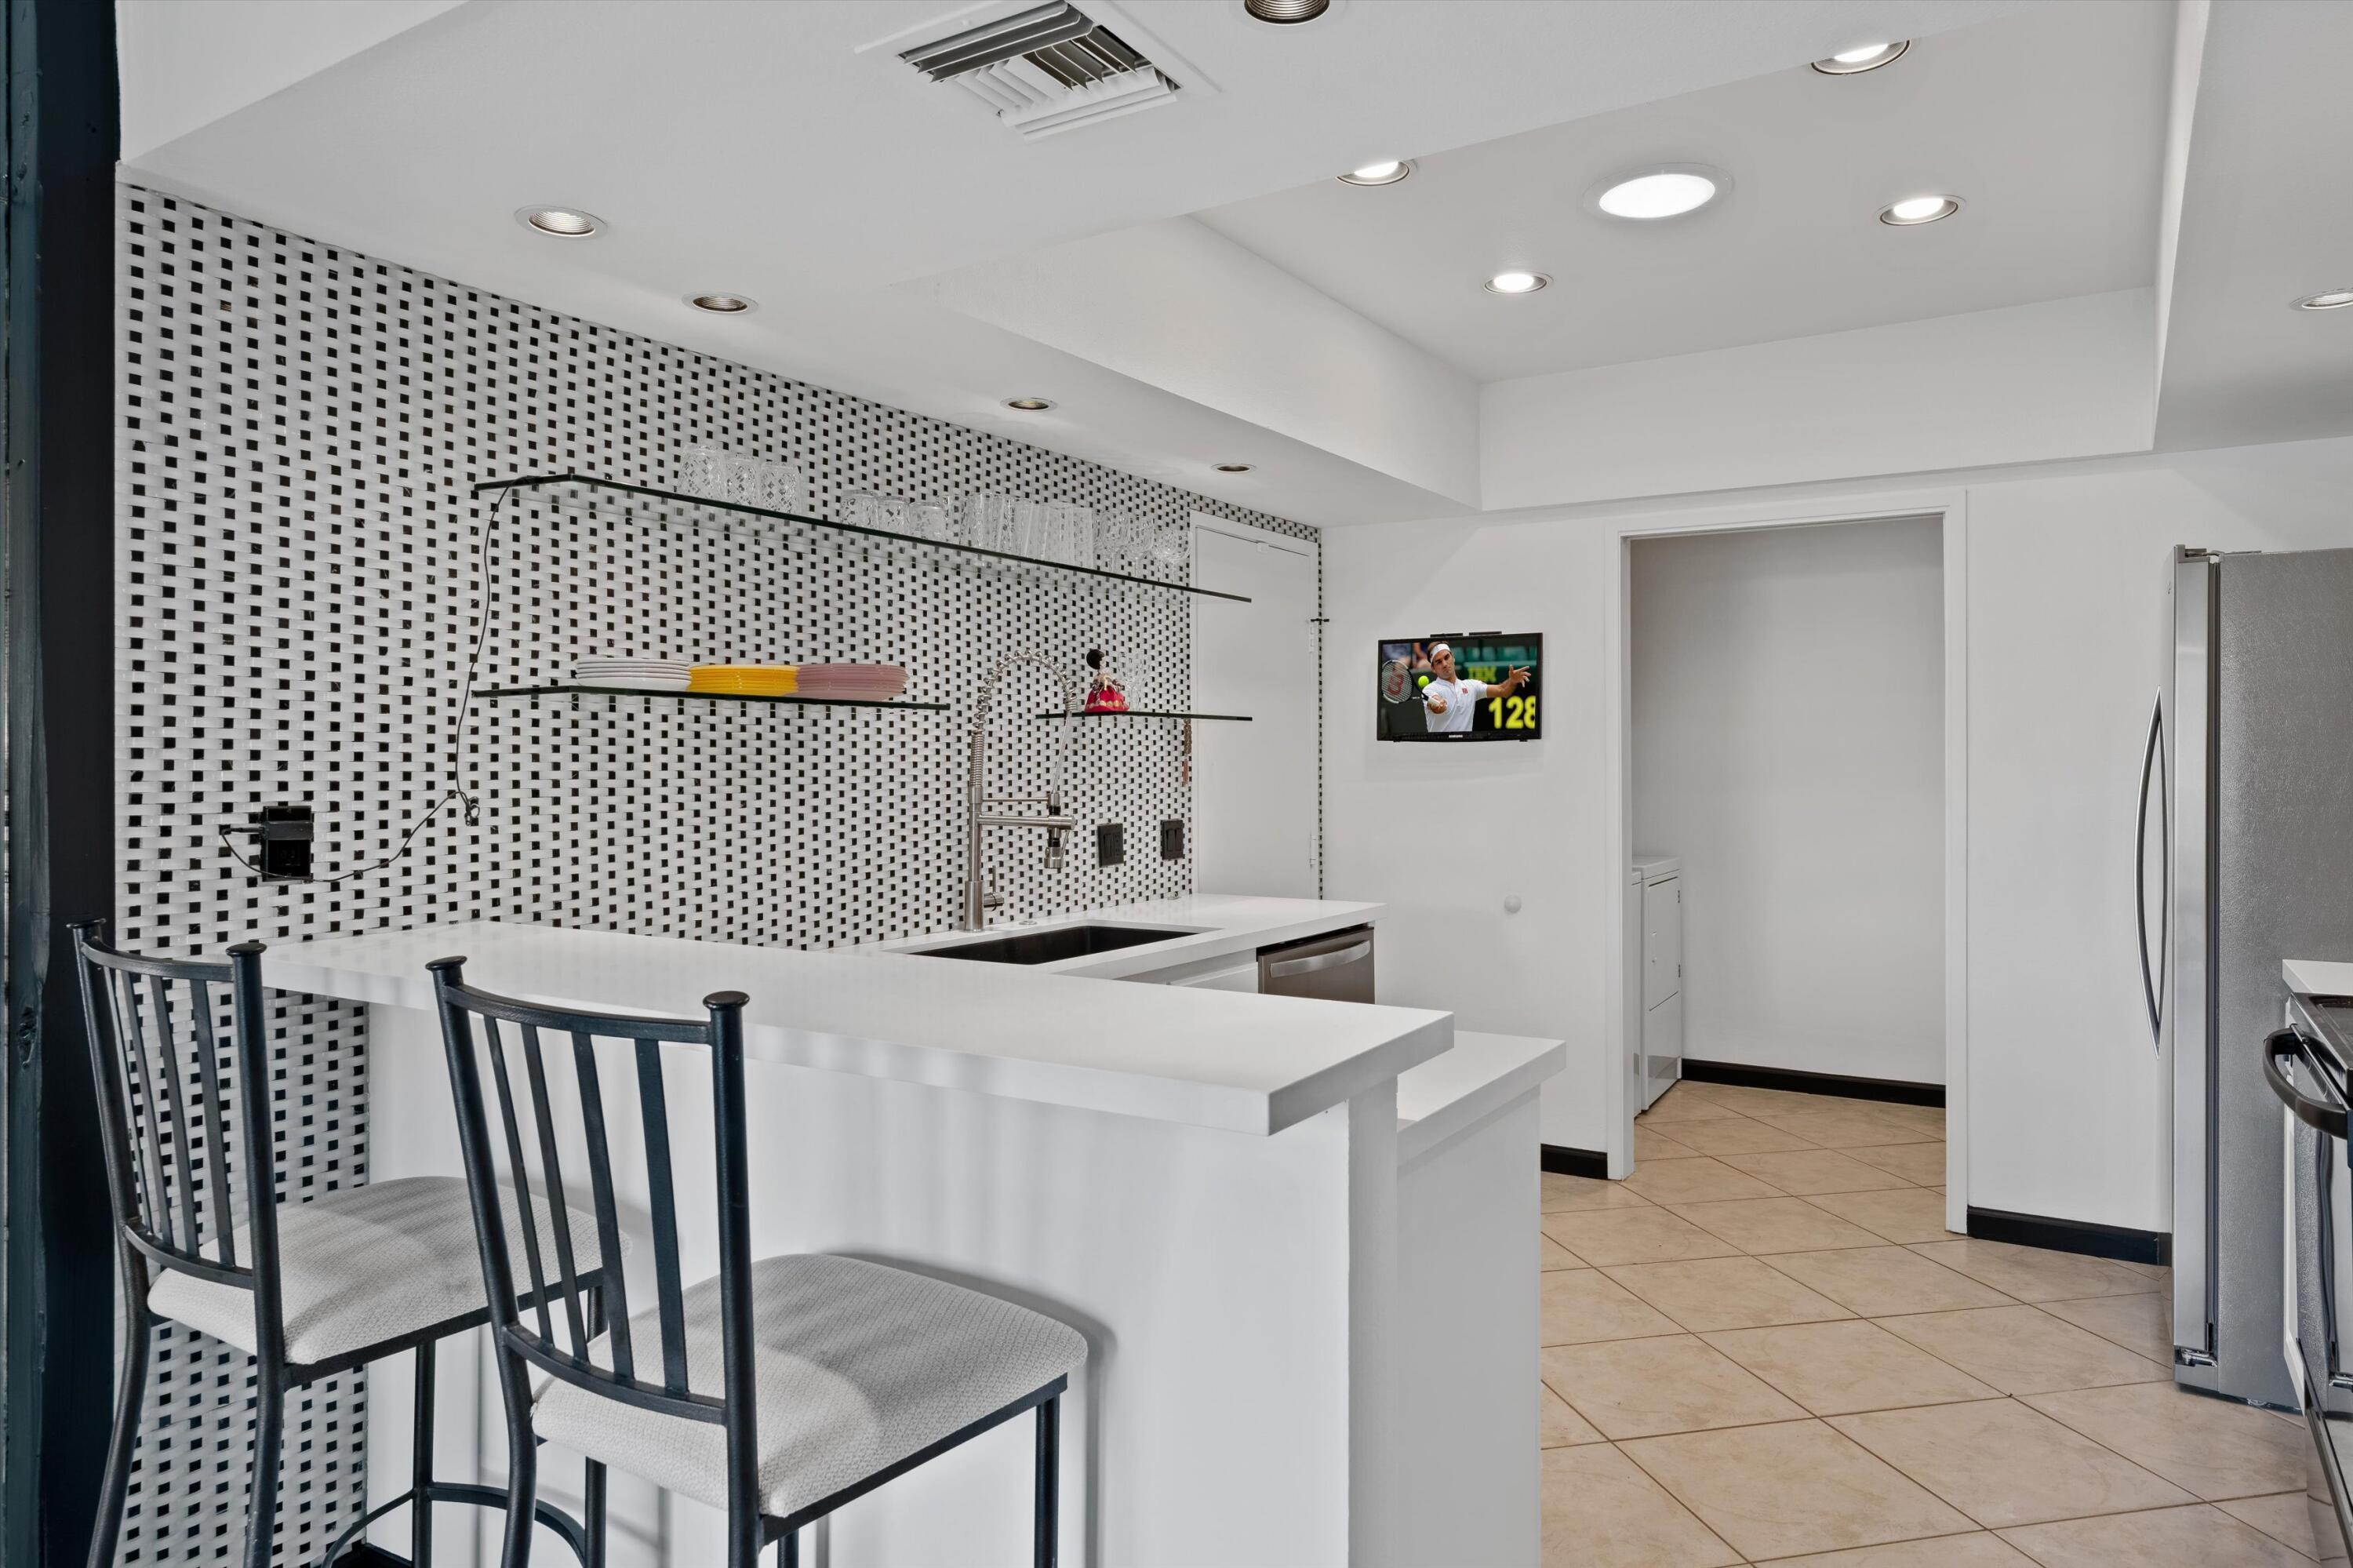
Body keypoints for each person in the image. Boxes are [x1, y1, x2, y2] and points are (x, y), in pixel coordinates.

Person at [1420, 642, 1531, 733]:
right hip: (1438, 751)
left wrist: (1512, 681)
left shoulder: (1471, 686)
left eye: (1447, 657)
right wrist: (1439, 704)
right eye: (1439, 662)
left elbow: (1503, 690)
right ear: (1433, 668)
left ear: (1453, 657)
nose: (1444, 664)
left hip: (1467, 750)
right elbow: (1434, 703)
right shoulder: (1429, 690)